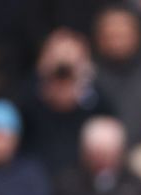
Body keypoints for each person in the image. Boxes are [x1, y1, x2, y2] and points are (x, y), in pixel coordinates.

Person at [17, 28, 115, 175]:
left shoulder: (94, 98)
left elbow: (109, 120)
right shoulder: (32, 94)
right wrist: (42, 76)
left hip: (83, 178)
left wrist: (85, 81)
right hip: (38, 175)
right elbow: (18, 118)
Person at [93, 5, 141, 146]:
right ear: (99, 39)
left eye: (122, 36)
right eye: (111, 36)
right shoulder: (88, 76)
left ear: (136, 36)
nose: (116, 43)